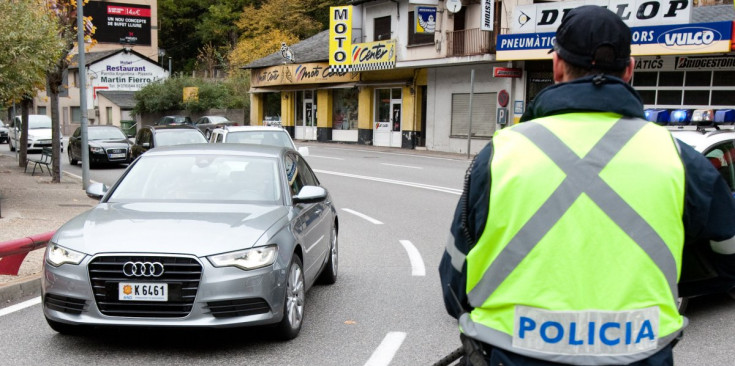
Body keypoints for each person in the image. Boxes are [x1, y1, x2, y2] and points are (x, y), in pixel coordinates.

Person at [439, 5, 735, 366]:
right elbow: (728, 256)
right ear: (629, 71)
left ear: (557, 66)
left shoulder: (503, 152)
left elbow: (454, 277)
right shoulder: (678, 157)